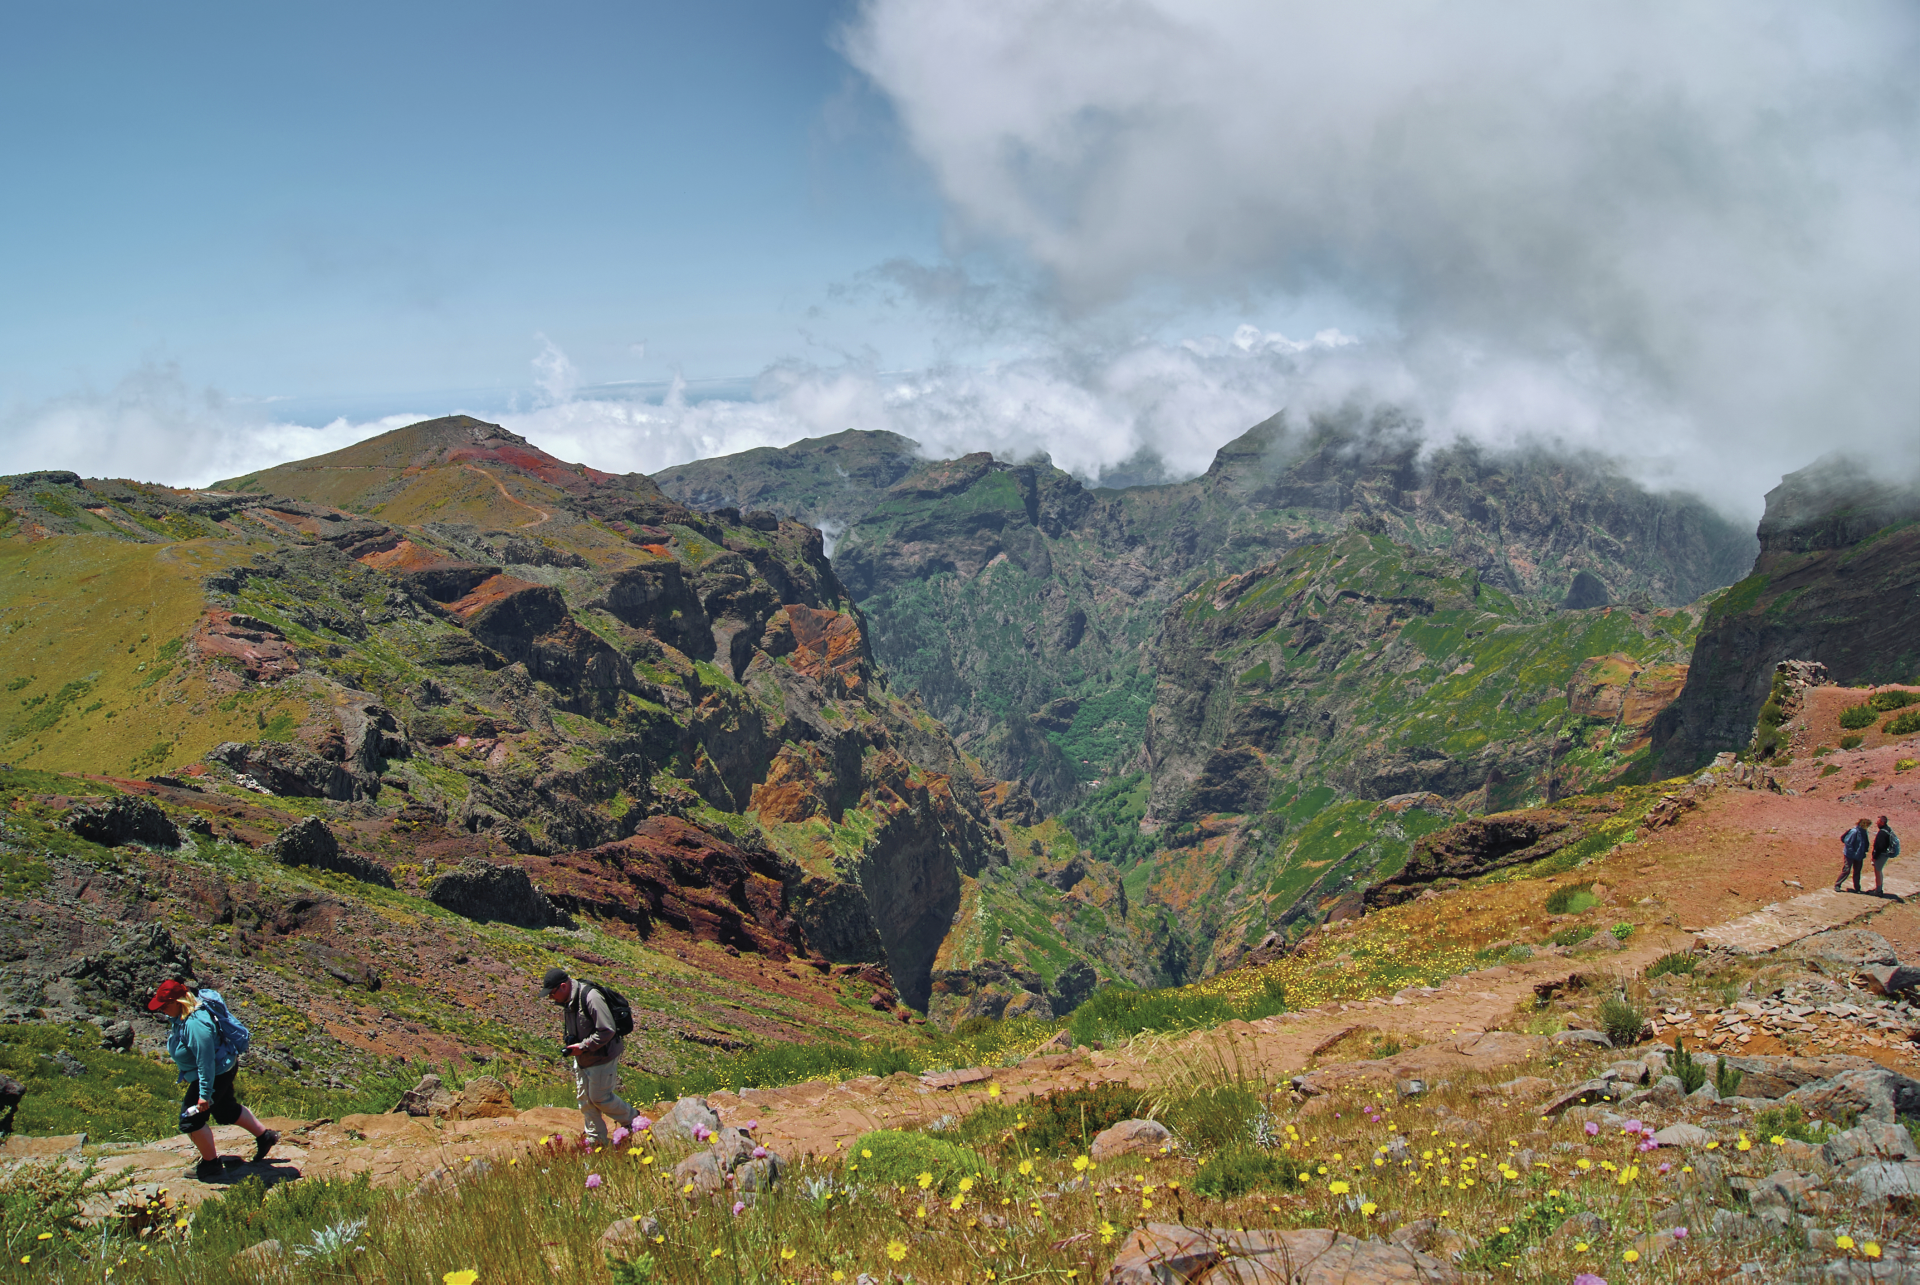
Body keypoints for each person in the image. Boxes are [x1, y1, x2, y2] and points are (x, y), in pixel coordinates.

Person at [148, 979, 276, 1181]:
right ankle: (265, 1136)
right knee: (225, 1110)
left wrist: (204, 1095)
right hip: (223, 1067)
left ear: (178, 1001)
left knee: (190, 1121)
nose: (162, 1010)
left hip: (214, 1074)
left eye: (165, 1005)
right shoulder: (185, 1015)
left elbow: (205, 1063)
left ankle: (211, 1165)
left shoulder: (196, 1025)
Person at [542, 966, 636, 1147]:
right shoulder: (568, 1000)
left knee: (600, 1098)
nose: (551, 998)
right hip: (583, 1057)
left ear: (563, 986)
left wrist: (584, 1046)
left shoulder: (590, 997)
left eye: (552, 994)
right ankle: (596, 1141)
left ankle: (634, 1121)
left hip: (602, 1057)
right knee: (585, 1100)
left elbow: (607, 1029)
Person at [1837, 817, 1873, 893]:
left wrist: (1863, 852)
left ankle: (1857, 888)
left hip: (1859, 855)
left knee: (1857, 871)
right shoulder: (1854, 832)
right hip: (1850, 855)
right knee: (1846, 870)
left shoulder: (1863, 832)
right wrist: (1853, 853)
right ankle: (1837, 885)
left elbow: (1866, 843)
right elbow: (1848, 843)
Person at [1873, 815, 1901, 896]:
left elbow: (1879, 847)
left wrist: (1874, 857)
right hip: (1885, 854)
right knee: (1879, 871)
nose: (1876, 823)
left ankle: (1878, 891)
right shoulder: (1888, 829)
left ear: (1882, 822)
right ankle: (1879, 889)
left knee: (1878, 872)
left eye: (1878, 821)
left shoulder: (1882, 832)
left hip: (1881, 855)